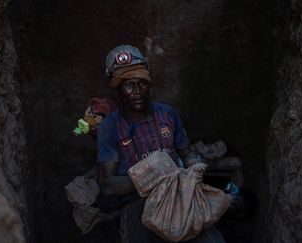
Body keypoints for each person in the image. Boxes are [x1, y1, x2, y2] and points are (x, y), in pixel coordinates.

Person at [96, 45, 226, 243]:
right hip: (137, 206)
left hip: (179, 198)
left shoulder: (167, 114)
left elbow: (187, 153)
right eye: (128, 85)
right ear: (117, 89)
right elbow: (107, 185)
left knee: (212, 240)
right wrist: (151, 177)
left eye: (142, 83)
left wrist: (194, 165)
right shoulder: (110, 127)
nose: (137, 91)